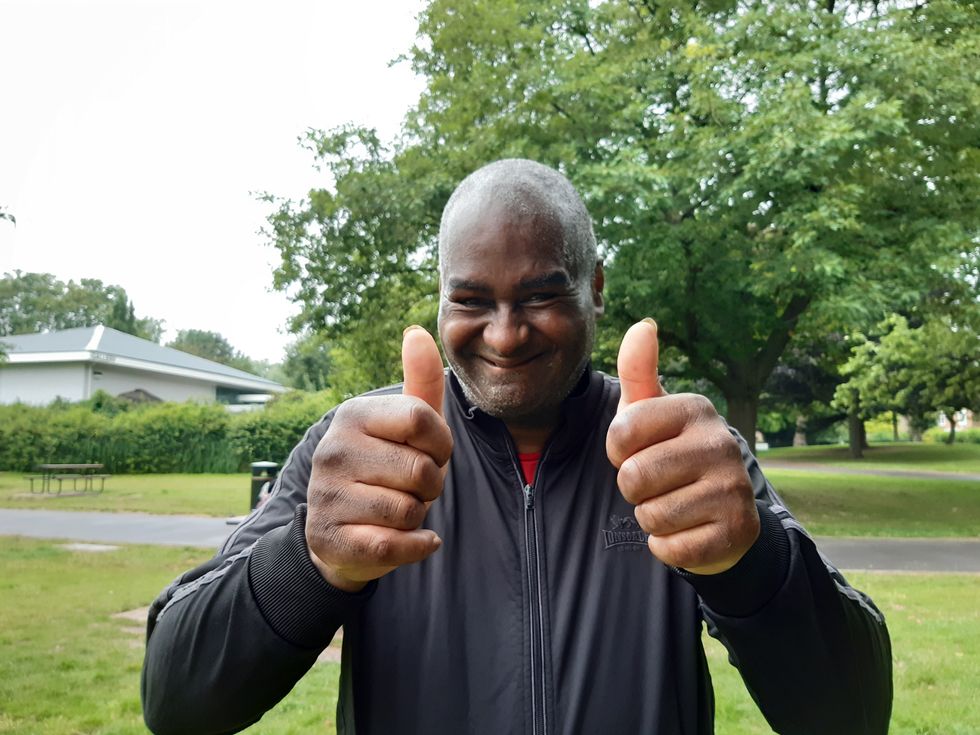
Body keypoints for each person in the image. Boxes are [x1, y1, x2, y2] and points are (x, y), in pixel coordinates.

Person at [142, 159, 892, 734]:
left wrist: (749, 565)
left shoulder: (677, 449)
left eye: (539, 294)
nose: (504, 333)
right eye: (471, 300)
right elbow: (176, 698)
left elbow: (852, 712)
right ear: (441, 298)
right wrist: (309, 565)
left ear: (595, 288)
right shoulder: (358, 450)